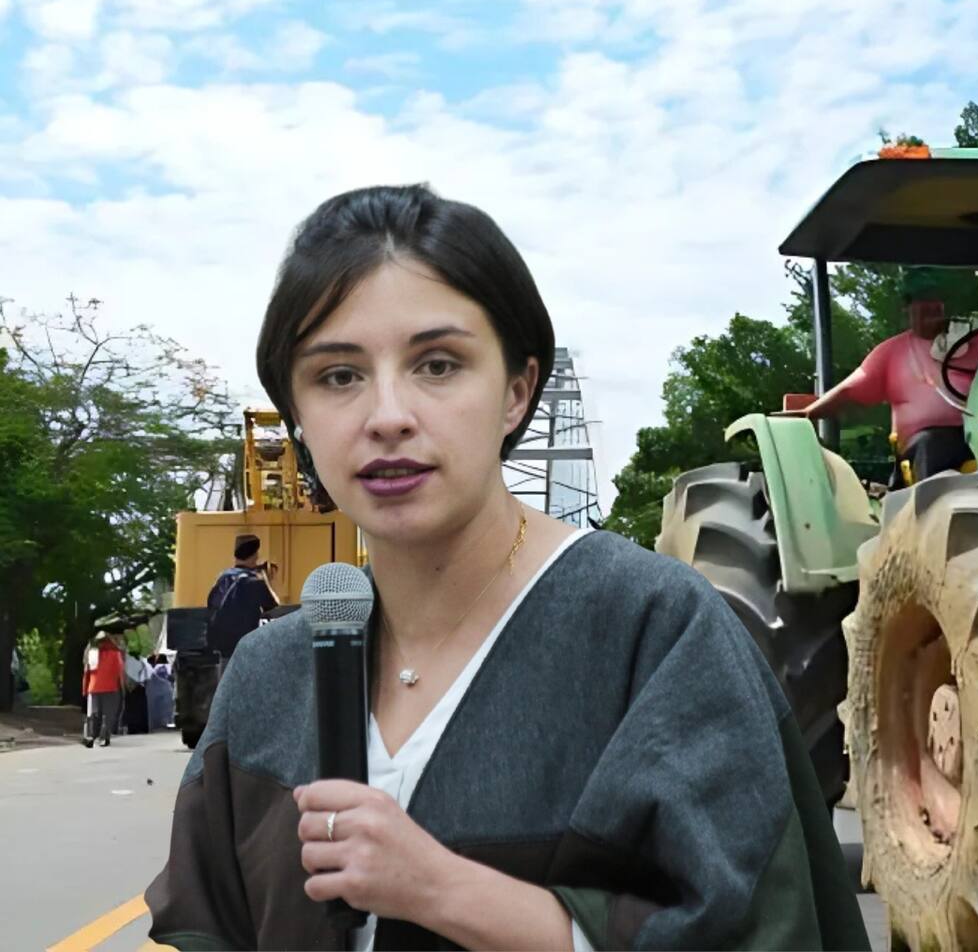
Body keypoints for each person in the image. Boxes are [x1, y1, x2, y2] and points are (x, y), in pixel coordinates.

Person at [147, 185, 869, 951]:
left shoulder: (654, 632)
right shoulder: (265, 679)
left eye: (437, 364)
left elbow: (757, 931)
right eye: (338, 376)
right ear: (296, 414)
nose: (387, 415)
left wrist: (439, 889)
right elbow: (204, 927)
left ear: (517, 390)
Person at [802, 266, 978, 483]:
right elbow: (849, 391)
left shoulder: (976, 342)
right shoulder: (891, 353)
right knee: (935, 444)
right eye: (923, 299)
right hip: (926, 447)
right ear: (906, 308)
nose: (933, 306)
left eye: (937, 299)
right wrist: (806, 414)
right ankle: (935, 510)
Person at [205, 532, 281, 661]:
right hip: (246, 647)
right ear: (255, 555)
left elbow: (211, 603)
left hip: (223, 647)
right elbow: (273, 605)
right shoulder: (254, 581)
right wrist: (265, 577)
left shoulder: (223, 577)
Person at [82, 632, 125, 749]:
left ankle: (92, 736)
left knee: (95, 714)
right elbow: (119, 672)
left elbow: (87, 672)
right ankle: (104, 737)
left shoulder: (92, 653)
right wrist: (123, 688)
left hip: (94, 688)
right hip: (111, 688)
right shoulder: (115, 653)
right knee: (108, 715)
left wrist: (85, 689)